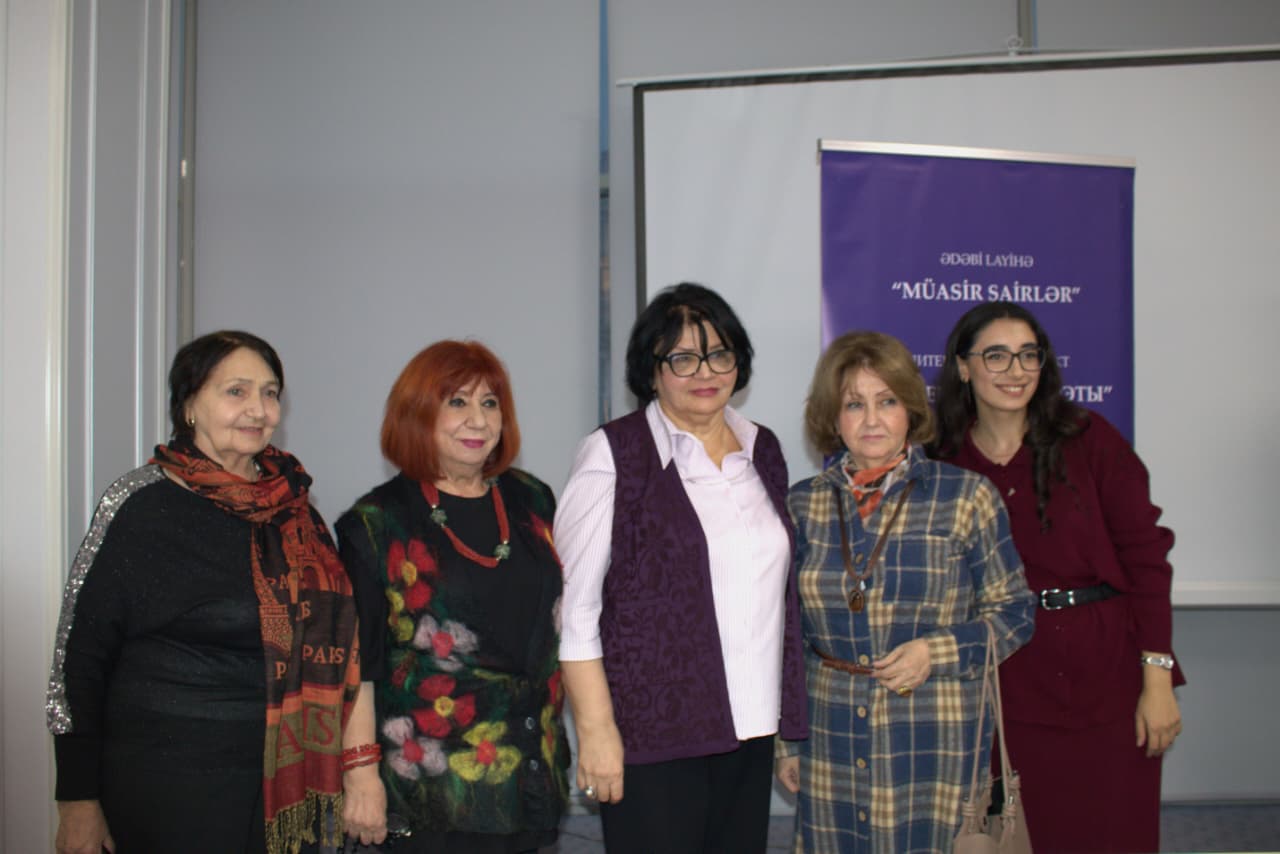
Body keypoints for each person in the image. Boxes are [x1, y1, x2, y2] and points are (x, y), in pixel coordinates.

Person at [46, 330, 376, 854]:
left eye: (270, 393)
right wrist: (77, 801)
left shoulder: (296, 510)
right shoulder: (142, 506)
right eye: (236, 391)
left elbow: (346, 646)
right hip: (170, 788)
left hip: (283, 788)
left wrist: (361, 769)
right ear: (189, 406)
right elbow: (79, 661)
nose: (258, 409)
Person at [555, 282, 807, 854]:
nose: (705, 372)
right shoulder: (614, 454)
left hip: (751, 729)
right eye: (683, 358)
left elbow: (774, 597)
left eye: (719, 354)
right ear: (652, 370)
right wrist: (596, 731)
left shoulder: (762, 449)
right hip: (654, 737)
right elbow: (575, 610)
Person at [931, 301, 1183, 853]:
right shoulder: (941, 459)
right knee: (1019, 835)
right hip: (1001, 686)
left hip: (1107, 678)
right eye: (996, 356)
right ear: (963, 367)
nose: (1016, 370)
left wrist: (1158, 679)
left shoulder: (1090, 439)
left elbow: (1147, 559)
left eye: (1029, 355)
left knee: (1113, 833)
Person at [777, 330, 1035, 853]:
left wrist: (935, 652)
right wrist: (788, 741)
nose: (872, 420)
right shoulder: (802, 505)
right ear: (833, 417)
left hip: (935, 734)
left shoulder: (966, 496)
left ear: (911, 410)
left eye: (887, 401)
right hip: (830, 734)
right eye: (854, 404)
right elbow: (787, 637)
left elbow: (1015, 613)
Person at [334, 340, 570, 854]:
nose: (478, 420)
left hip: (527, 778)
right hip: (429, 794)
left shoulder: (532, 500)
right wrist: (360, 776)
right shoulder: (374, 524)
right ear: (418, 413)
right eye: (457, 402)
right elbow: (357, 665)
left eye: (490, 403)